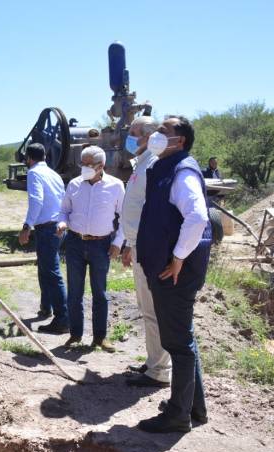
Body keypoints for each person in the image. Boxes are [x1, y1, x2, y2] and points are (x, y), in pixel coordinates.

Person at [136, 116, 212, 433]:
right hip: (168, 269)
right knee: (183, 340)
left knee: (178, 345)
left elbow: (197, 217)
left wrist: (179, 257)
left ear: (179, 141)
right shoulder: (166, 168)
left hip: (175, 273)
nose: (156, 134)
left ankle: (178, 416)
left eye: (163, 131)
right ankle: (194, 408)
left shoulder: (182, 171)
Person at [56, 145, 125, 352]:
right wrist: (62, 223)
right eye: (82, 163)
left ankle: (100, 337)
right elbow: (64, 210)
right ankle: (75, 334)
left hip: (101, 245)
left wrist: (118, 242)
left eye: (88, 164)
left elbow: (125, 217)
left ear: (101, 165)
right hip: (75, 242)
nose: (84, 167)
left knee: (99, 293)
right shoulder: (74, 184)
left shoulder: (115, 186)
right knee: (74, 292)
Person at [120, 117, 171, 388]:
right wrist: (130, 244)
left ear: (148, 137)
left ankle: (159, 371)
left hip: (149, 248)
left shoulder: (152, 165)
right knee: (146, 309)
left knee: (153, 311)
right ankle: (154, 362)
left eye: (133, 132)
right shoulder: (141, 163)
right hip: (138, 245)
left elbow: (153, 211)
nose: (128, 137)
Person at [17, 143, 69, 334]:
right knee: (45, 269)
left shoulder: (33, 173)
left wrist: (26, 227)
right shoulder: (53, 174)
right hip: (59, 227)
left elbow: (36, 200)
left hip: (47, 229)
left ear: (29, 158)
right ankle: (46, 307)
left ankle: (63, 319)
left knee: (52, 273)